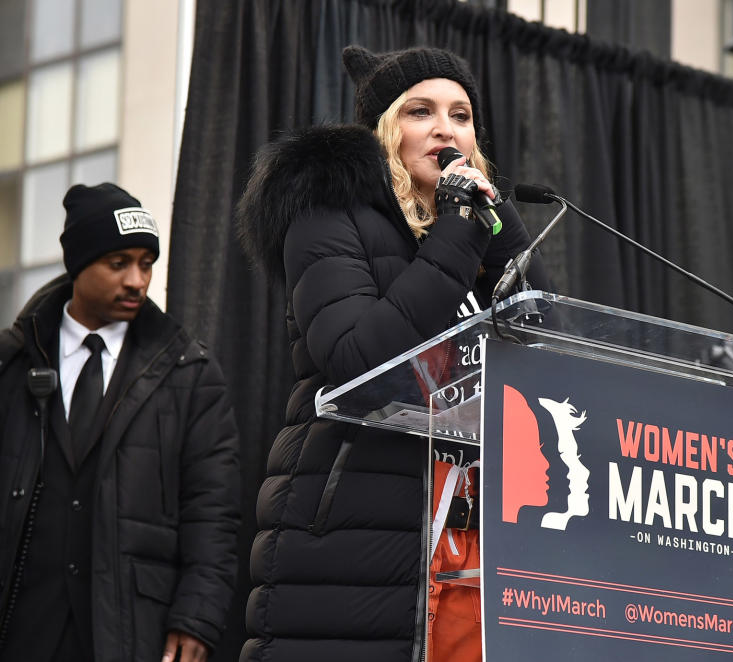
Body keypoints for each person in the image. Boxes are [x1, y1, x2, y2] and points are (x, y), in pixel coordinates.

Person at [235, 45, 547, 661]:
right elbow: (358, 356)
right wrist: (461, 231)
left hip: (468, 528)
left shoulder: (471, 228)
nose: (444, 128)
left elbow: (541, 365)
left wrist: (497, 230)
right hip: (358, 521)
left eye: (461, 115)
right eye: (420, 111)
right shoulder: (330, 215)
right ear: (382, 131)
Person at [0, 183, 241, 662]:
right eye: (118, 264)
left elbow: (213, 511)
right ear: (78, 265)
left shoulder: (189, 372)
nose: (137, 280)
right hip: (22, 626)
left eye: (146, 264)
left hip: (132, 629)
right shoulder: (11, 364)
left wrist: (196, 618)